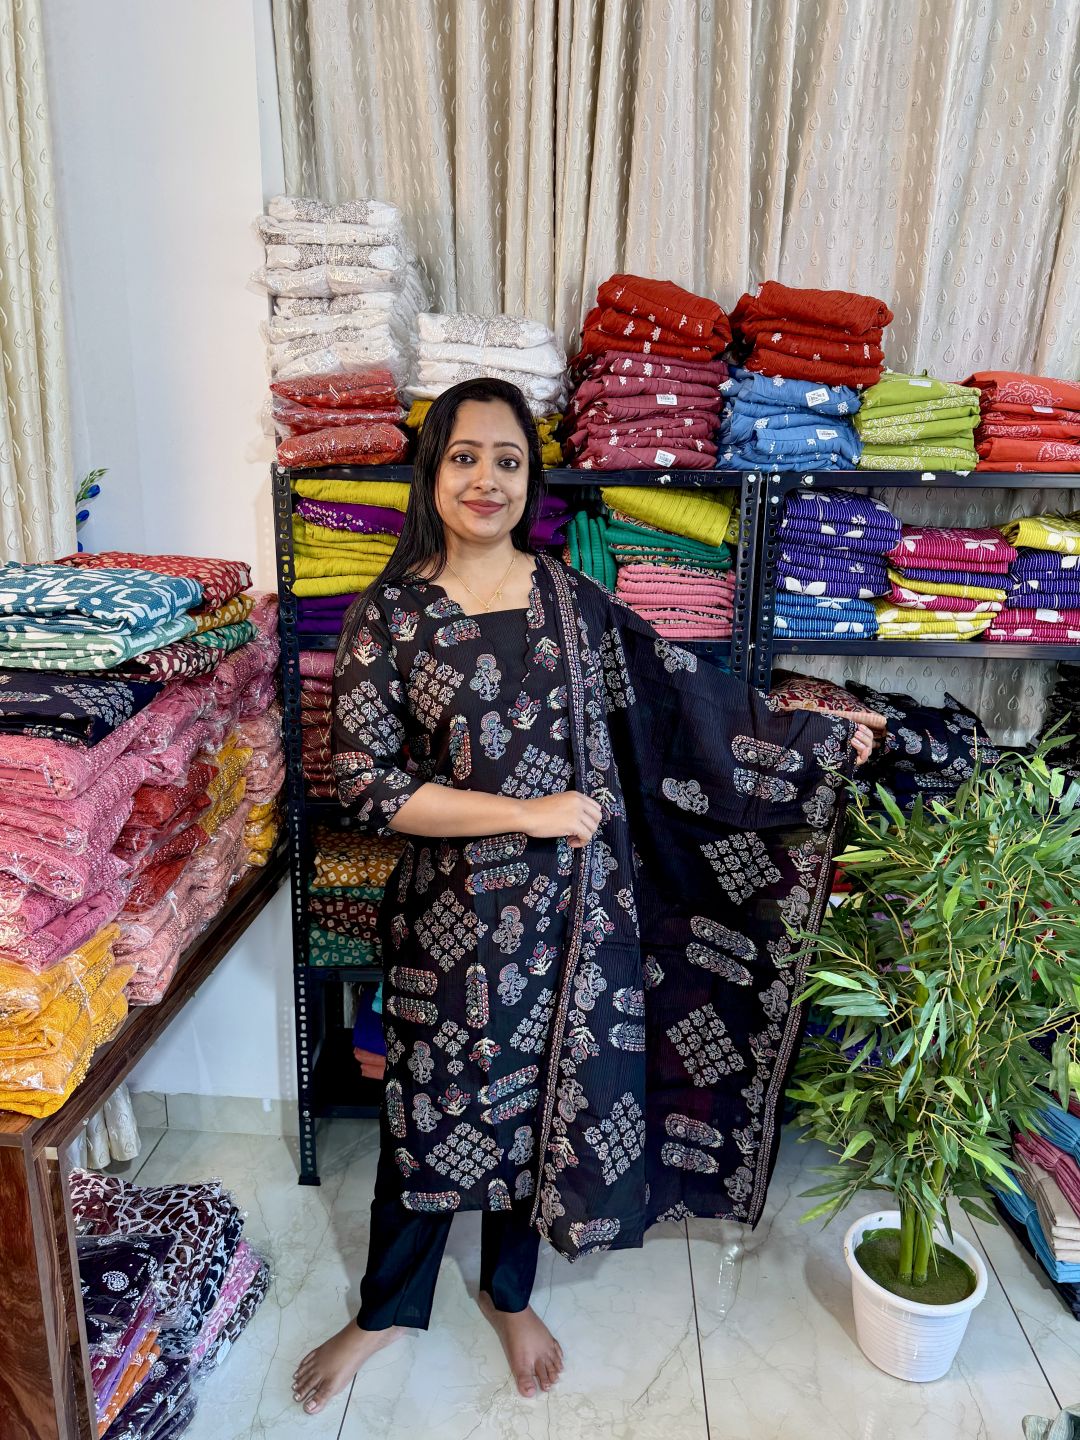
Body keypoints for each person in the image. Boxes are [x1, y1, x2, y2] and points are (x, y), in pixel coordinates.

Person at [293, 377, 873, 1413]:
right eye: (464, 456)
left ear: (531, 478)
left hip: (576, 917)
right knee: (427, 1113)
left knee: (545, 1106)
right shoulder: (392, 616)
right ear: (432, 470)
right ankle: (384, 1310)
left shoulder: (569, 598)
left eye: (508, 460)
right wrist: (527, 813)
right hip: (449, 927)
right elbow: (370, 788)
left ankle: (509, 1294)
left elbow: (683, 696)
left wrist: (813, 733)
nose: (486, 479)